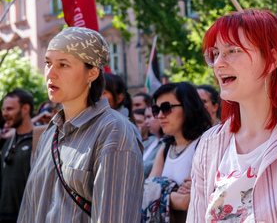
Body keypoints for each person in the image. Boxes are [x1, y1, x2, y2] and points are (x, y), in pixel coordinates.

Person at [187, 10, 277, 223]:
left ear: (272, 59)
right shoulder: (209, 144)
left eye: (232, 50)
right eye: (215, 53)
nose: (218, 63)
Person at [17, 27, 144, 222]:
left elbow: (115, 217)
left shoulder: (114, 131)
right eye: (48, 63)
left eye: (63, 65)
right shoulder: (49, 133)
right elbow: (29, 209)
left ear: (92, 72)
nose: (50, 74)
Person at [144, 82, 212, 222]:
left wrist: (157, 190)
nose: (160, 116)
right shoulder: (165, 149)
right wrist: (173, 192)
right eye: (156, 110)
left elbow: (185, 202)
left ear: (188, 107)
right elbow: (145, 193)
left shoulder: (204, 145)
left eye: (166, 108)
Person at [1, 89, 34, 223]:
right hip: (4, 214)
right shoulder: (8, 142)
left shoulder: (40, 141)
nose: (4, 114)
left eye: (9, 109)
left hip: (27, 216)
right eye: (4, 109)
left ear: (25, 108)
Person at [142, 101, 164, 179]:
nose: (146, 122)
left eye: (149, 117)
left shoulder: (167, 144)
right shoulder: (148, 141)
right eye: (145, 118)